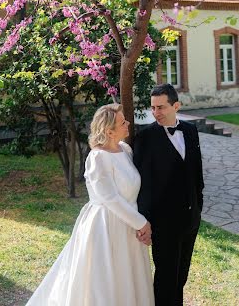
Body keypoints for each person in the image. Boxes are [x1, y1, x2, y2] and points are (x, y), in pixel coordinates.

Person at [26, 103, 154, 306]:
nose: (128, 123)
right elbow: (110, 198)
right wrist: (141, 223)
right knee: (105, 282)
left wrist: (138, 224)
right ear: (110, 131)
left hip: (129, 227)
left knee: (128, 279)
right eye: (123, 122)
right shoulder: (97, 158)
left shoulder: (125, 150)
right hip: (106, 228)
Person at [133, 83, 204, 306]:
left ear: (176, 106)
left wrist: (197, 209)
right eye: (153, 108)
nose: (156, 113)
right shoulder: (145, 138)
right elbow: (142, 186)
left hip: (190, 221)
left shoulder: (191, 131)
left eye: (161, 107)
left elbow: (197, 175)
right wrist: (145, 222)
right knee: (165, 280)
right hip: (163, 224)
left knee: (181, 277)